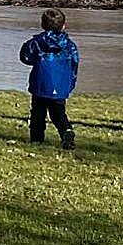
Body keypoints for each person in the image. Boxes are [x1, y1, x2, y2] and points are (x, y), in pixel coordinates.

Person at [18, 8, 79, 149]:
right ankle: (66, 131)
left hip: (41, 83)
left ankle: (36, 139)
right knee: (58, 113)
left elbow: (25, 56)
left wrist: (36, 60)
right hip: (60, 85)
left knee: (38, 113)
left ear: (42, 25)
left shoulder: (36, 42)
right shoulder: (69, 45)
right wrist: (70, 83)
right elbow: (74, 64)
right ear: (63, 25)